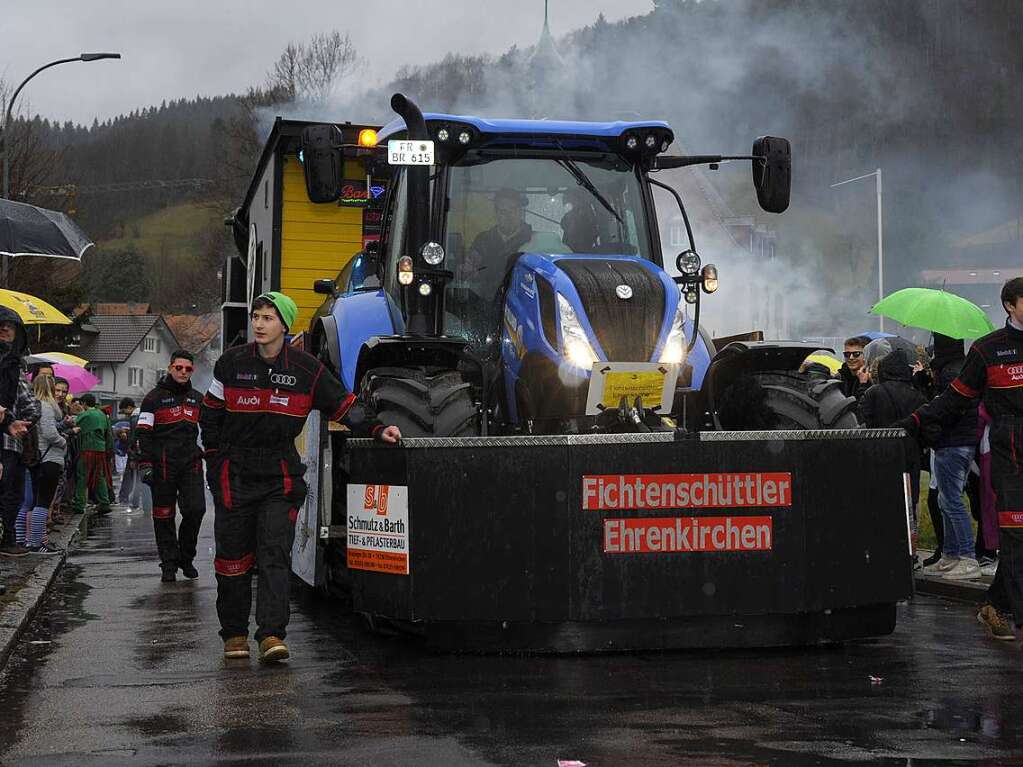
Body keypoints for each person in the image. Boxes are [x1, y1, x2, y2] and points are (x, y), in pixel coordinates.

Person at [200, 291, 401, 663]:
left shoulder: (307, 371)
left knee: (274, 555)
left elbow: (346, 406)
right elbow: (209, 414)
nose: (259, 324)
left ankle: (272, 635)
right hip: (235, 475)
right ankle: (234, 635)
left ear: (284, 325)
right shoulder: (230, 364)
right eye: (256, 317)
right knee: (233, 560)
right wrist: (214, 460)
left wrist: (376, 429)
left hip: (280, 476)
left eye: (268, 318)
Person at [899, 277, 1023, 641]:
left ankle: (995, 606)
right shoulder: (987, 350)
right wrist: (917, 421)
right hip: (1009, 449)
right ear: (1009, 306)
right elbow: (955, 398)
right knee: (1016, 533)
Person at [136, 352, 206, 583]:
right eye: (179, 367)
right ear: (170, 368)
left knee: (196, 510)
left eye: (188, 368)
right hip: (162, 465)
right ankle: (168, 564)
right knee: (163, 516)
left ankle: (186, 558)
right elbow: (143, 434)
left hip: (191, 464)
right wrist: (145, 465)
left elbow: (212, 429)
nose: (183, 372)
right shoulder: (152, 398)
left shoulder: (198, 398)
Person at [921, 333, 981, 580]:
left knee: (952, 501)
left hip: (953, 442)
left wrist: (933, 431)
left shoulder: (949, 373)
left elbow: (949, 410)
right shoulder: (962, 368)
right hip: (960, 441)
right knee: (947, 501)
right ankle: (951, 554)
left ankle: (966, 557)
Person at [859, 345, 928, 559]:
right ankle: (910, 551)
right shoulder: (918, 396)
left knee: (881, 502)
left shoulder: (874, 392)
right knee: (910, 503)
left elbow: (863, 421)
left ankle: (883, 547)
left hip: (880, 454)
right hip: (910, 455)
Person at [0, 308, 41, 558]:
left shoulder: (15, 364)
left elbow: (29, 405)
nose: (5, 329)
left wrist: (17, 422)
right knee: (6, 494)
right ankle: (7, 541)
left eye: (10, 326)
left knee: (13, 495)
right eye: (1, 325)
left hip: (11, 440)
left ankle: (8, 540)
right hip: (5, 443)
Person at [16, 376, 66, 553]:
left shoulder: (28, 407)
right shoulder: (45, 406)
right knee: (43, 502)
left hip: (34, 458)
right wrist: (64, 442)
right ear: (50, 388)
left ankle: (21, 540)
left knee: (28, 502)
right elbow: (50, 434)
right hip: (48, 458)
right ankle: (37, 544)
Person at [466, 189, 534, 283]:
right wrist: (469, 268)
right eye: (503, 211)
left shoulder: (533, 240)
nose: (509, 216)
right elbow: (472, 264)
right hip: (487, 297)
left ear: (521, 212)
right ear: (496, 214)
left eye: (513, 210)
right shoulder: (483, 240)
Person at [73, 394, 113, 516]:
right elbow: (109, 434)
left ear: (84, 403)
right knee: (100, 477)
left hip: (86, 450)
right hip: (101, 450)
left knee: (82, 476)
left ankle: (79, 505)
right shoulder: (102, 415)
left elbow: (73, 428)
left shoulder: (84, 415)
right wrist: (108, 450)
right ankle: (104, 503)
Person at [837, 335, 872, 400]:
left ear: (867, 355)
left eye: (856, 354)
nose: (851, 358)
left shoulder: (873, 379)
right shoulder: (839, 377)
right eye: (847, 354)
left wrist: (864, 384)